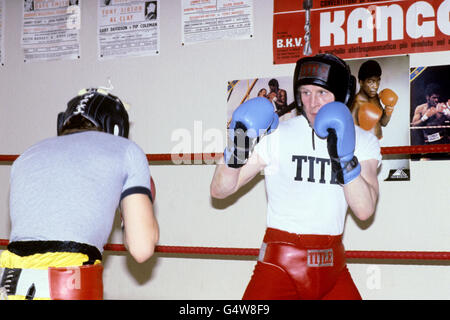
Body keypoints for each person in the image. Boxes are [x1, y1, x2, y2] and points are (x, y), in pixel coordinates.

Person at [210, 54, 381, 300]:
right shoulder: (277, 135)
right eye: (305, 92)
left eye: (322, 93)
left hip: (333, 268)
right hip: (280, 266)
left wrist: (344, 158)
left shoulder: (364, 141)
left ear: (342, 94)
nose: (312, 103)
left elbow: (364, 210)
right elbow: (221, 190)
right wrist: (238, 146)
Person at [0, 88, 159, 300]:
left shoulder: (26, 155)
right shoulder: (126, 150)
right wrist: (131, 214)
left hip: (8, 283)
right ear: (117, 127)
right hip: (69, 283)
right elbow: (142, 249)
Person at [350, 60, 398, 140]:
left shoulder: (375, 97)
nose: (375, 86)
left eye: (378, 81)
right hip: (365, 148)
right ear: (361, 82)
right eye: (370, 82)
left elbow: (383, 123)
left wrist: (389, 109)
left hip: (378, 144)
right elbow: (350, 136)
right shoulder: (355, 104)